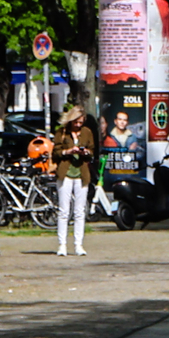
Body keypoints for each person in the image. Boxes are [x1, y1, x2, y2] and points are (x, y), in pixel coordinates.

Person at [53, 105, 96, 256]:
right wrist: (68, 151)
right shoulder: (62, 132)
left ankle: (78, 245)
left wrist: (86, 152)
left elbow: (92, 152)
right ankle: (62, 245)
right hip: (65, 173)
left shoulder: (87, 132)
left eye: (80, 122)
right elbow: (55, 153)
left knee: (80, 211)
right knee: (64, 211)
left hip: (81, 174)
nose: (78, 125)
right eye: (76, 122)